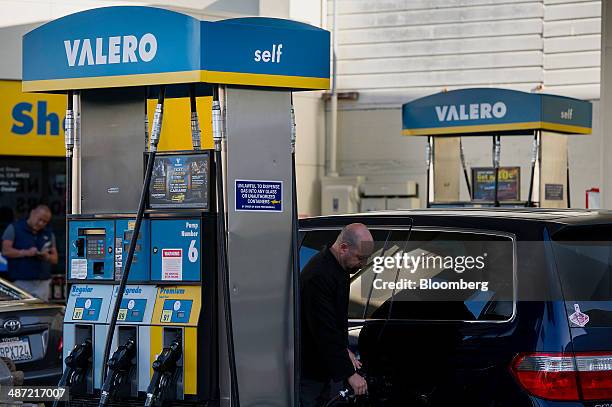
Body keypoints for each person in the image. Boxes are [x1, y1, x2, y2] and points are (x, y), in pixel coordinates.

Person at [300, 223, 374, 407]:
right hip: (310, 371)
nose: (362, 265)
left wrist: (344, 350)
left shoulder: (338, 268)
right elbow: (324, 329)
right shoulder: (319, 275)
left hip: (322, 368)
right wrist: (350, 374)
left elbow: (334, 322)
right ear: (343, 248)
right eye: (360, 258)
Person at [1, 205, 58, 300]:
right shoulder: (15, 228)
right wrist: (25, 253)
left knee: (42, 313)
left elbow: (55, 259)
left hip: (42, 283)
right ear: (32, 213)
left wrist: (46, 256)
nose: (41, 223)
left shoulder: (48, 233)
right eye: (39, 219)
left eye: (45, 222)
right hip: (21, 282)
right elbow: (5, 251)